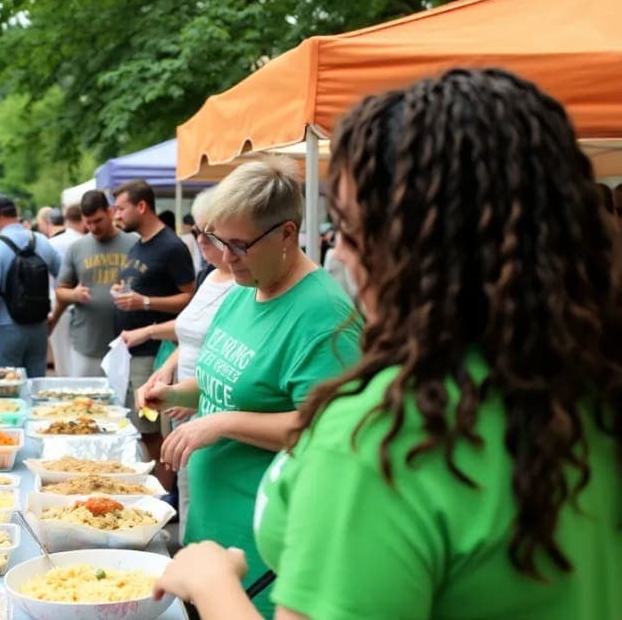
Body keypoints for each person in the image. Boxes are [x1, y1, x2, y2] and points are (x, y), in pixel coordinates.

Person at [156, 69, 622, 619]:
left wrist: (211, 582)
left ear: (404, 249)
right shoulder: (587, 389)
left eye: (348, 228)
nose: (343, 257)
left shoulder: (380, 439)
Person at [139, 160, 361, 618]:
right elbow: (231, 380)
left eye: (239, 245)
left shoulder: (323, 317)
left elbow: (329, 429)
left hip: (263, 551)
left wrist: (222, 424)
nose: (226, 257)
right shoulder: (245, 286)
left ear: (287, 233)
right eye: (219, 241)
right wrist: (178, 393)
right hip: (211, 530)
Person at [128, 187, 236, 530]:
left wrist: (199, 395)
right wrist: (166, 368)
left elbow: (228, 350)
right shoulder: (209, 274)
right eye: (195, 231)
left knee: (202, 493)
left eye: (208, 233)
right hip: (186, 396)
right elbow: (190, 334)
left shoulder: (242, 284)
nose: (200, 240)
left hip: (207, 405)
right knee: (188, 489)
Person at [111, 180, 194, 491]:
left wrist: (144, 302)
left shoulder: (171, 246)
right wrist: (121, 292)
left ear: (141, 206)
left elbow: (190, 298)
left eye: (121, 208)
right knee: (142, 427)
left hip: (156, 352)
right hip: (133, 349)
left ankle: (163, 493)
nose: (116, 215)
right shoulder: (140, 243)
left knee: (152, 427)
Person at [56, 191, 138, 377]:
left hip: (125, 342)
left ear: (110, 212)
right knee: (84, 399)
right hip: (86, 343)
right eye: (88, 222)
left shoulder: (134, 243)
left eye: (98, 220)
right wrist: (74, 295)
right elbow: (61, 291)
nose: (93, 227)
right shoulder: (77, 248)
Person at [0, 195, 60, 378]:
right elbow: (65, 280)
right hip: (38, 326)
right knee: (34, 385)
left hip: (3, 327)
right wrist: (54, 315)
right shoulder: (41, 241)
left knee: (4, 390)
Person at [47, 207, 84, 377]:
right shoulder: (86, 242)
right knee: (81, 355)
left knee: (61, 356)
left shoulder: (52, 243)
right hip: (84, 302)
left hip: (57, 301)